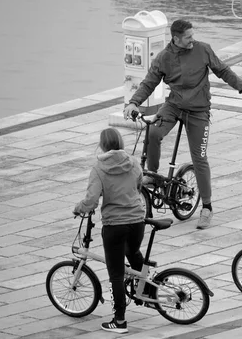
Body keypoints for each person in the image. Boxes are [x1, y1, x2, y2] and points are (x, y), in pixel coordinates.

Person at [124, 19, 242, 229]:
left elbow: (223, 70)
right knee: (153, 134)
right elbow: (149, 83)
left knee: (200, 158)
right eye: (188, 37)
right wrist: (133, 103)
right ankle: (153, 176)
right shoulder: (163, 58)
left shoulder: (203, 50)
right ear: (176, 38)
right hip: (174, 105)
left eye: (193, 35)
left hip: (199, 110)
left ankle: (207, 207)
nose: (193, 39)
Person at [73, 128, 145, 334]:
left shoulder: (98, 169)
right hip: (137, 221)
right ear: (120, 142)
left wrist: (79, 208)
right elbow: (139, 184)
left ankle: (119, 322)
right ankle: (146, 289)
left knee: (116, 274)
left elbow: (91, 200)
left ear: (102, 145)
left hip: (115, 225)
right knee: (133, 252)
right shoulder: (133, 162)